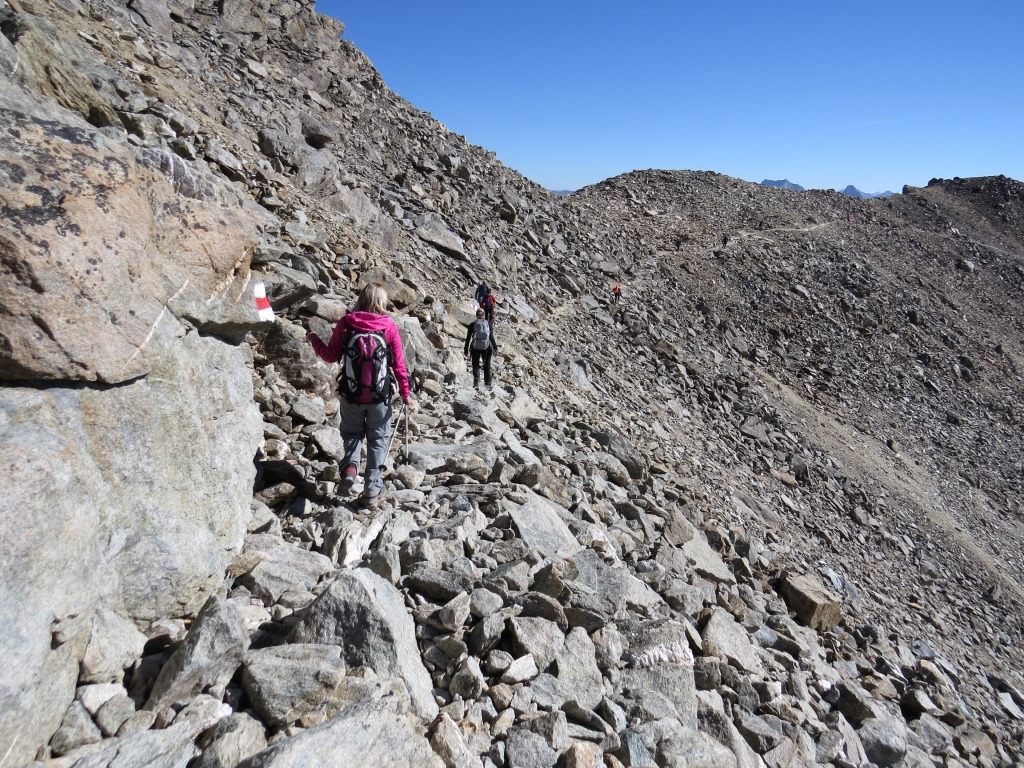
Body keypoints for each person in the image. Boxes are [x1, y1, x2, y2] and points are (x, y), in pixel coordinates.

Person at [307, 282, 413, 508]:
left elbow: (329, 355)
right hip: (380, 397)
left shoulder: (347, 323)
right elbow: (399, 366)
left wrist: (313, 339)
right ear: (382, 301)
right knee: (378, 440)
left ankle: (350, 468)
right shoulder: (389, 326)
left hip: (351, 393)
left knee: (351, 433)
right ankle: (372, 491)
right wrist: (406, 394)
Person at [464, 308, 498, 389]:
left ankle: (476, 383)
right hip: (486, 347)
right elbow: (491, 337)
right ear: (484, 315)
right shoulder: (488, 324)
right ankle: (488, 384)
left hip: (475, 347)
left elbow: (468, 338)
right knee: (487, 365)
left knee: (475, 364)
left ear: (476, 315)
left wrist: (466, 349)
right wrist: (495, 347)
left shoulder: (472, 324)